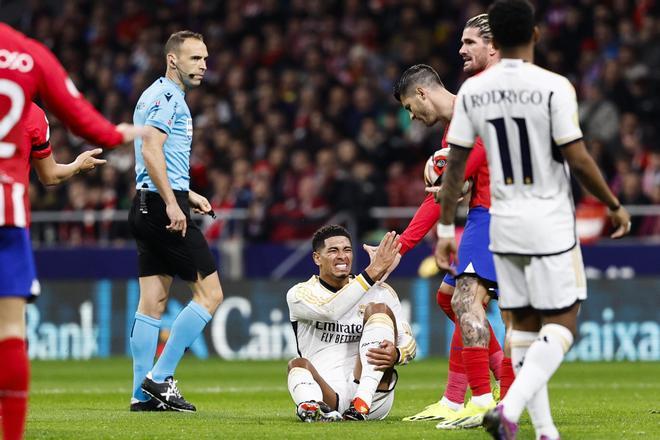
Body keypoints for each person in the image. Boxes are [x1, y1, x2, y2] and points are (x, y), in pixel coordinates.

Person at [436, 1, 631, 438]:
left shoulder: (472, 93)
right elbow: (577, 158)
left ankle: (545, 432)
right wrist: (613, 203)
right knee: (562, 325)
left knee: (521, 327)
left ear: (496, 41)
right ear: (536, 36)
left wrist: (446, 229)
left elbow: (454, 169)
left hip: (502, 223)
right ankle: (511, 407)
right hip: (549, 221)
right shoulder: (554, 86)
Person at [0, 23, 141, 440]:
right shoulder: (29, 58)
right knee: (11, 331)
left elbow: (47, 173)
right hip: (7, 215)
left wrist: (76, 166)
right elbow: (88, 123)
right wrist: (119, 135)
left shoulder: (36, 117)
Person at [128, 30, 223, 413]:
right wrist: (173, 203)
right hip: (161, 207)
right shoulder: (169, 97)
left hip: (145, 204)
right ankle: (160, 377)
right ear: (173, 60)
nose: (203, 66)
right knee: (211, 294)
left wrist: (187, 193)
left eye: (204, 58)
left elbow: (154, 154)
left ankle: (140, 393)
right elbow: (151, 147)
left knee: (153, 302)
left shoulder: (154, 94)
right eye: (195, 59)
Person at [286, 225, 416, 422]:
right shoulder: (300, 294)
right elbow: (331, 311)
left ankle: (360, 403)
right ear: (316, 258)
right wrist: (373, 271)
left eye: (347, 250)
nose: (342, 256)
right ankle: (312, 407)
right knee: (297, 365)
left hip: (374, 396)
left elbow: (410, 344)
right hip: (327, 395)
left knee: (378, 310)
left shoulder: (381, 292)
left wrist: (397, 354)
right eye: (333, 250)